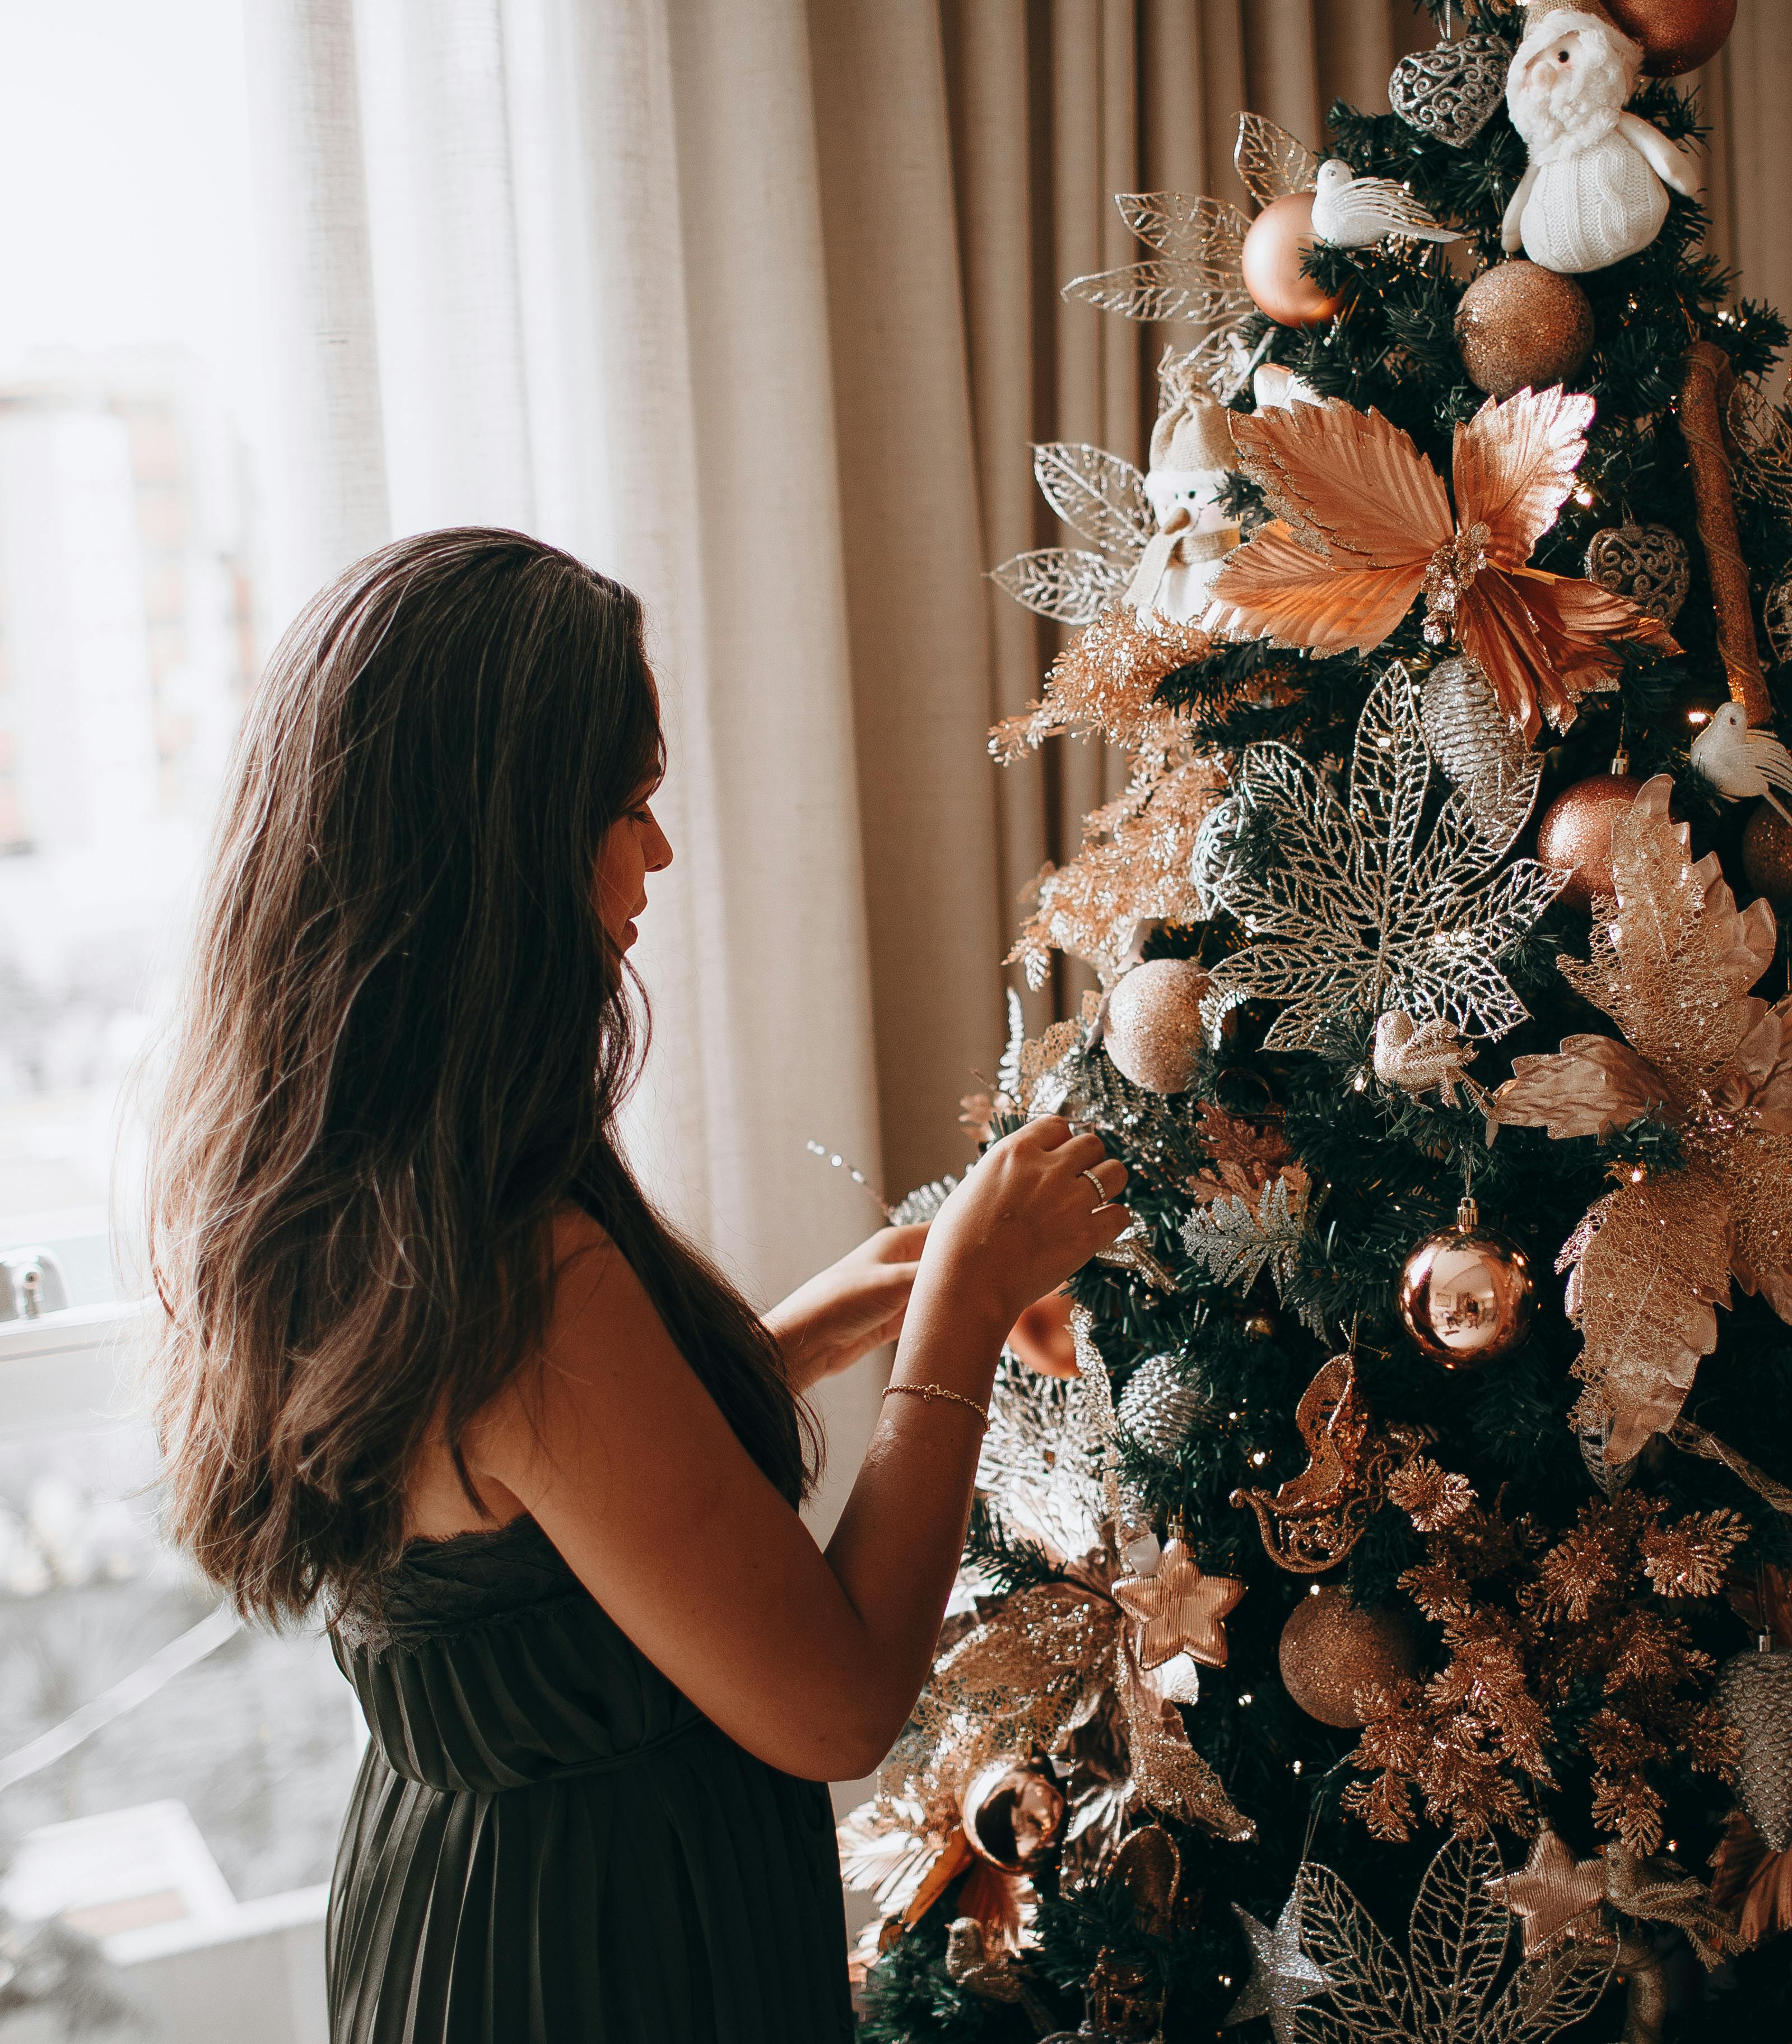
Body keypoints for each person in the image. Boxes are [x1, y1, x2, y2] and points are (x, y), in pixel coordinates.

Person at [144, 528, 1127, 2042]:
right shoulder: (520, 1277)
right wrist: (964, 1312)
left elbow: (549, 1504)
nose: (655, 856)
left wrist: (844, 1312)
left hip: (459, 1907)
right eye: (627, 808)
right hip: (595, 1957)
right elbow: (843, 1700)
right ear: (502, 853)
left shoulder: (356, 1176)